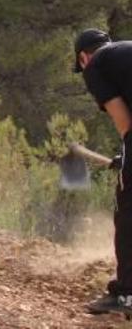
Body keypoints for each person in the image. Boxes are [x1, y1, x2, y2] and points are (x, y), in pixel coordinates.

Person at [76, 29, 132, 314]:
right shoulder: (124, 52)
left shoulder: (95, 65)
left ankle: (127, 295)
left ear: (83, 57)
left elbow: (125, 122)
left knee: (128, 212)